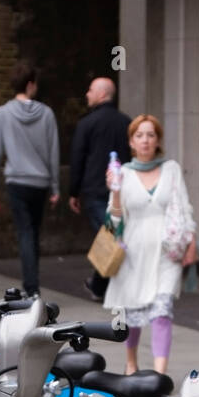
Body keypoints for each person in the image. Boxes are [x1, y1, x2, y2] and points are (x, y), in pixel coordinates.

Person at [102, 114, 197, 375]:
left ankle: (159, 374)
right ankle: (131, 363)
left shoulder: (171, 169)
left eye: (151, 135)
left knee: (162, 310)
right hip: (133, 251)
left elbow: (184, 207)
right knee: (133, 312)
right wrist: (116, 190)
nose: (145, 141)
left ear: (158, 140)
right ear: (131, 142)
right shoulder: (122, 173)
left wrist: (192, 240)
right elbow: (113, 220)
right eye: (139, 136)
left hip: (168, 249)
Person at [0, 62, 60, 296]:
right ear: (30, 84)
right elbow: (53, 151)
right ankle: (32, 283)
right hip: (40, 182)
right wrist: (56, 186)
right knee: (34, 233)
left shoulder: (3, 113)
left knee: (25, 232)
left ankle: (31, 287)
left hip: (16, 181)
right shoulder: (46, 113)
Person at [68, 76, 131, 300]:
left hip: (95, 190)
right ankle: (101, 285)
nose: (87, 94)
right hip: (121, 191)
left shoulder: (87, 124)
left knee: (108, 238)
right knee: (111, 237)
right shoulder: (126, 123)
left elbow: (78, 158)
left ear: (102, 94)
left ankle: (101, 285)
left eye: (91, 90)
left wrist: (73, 191)